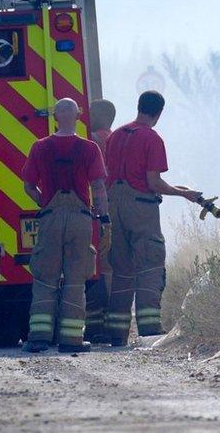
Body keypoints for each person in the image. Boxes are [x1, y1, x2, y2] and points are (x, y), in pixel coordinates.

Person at [103, 91, 202, 346]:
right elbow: (152, 182)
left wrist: (181, 190)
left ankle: (117, 334)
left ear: (139, 107)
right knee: (149, 264)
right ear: (158, 113)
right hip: (141, 209)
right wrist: (185, 195)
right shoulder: (152, 138)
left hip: (114, 206)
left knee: (122, 269)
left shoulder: (116, 136)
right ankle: (149, 332)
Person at [21, 98, 110, 353]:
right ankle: (71, 340)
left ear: (55, 117)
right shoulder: (90, 148)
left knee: (45, 278)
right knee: (75, 280)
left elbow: (28, 186)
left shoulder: (40, 147)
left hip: (50, 217)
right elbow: (98, 187)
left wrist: (45, 203)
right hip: (81, 218)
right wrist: (104, 218)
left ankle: (38, 338)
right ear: (79, 117)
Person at [84, 99, 117, 343]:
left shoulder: (94, 138)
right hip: (115, 204)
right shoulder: (116, 138)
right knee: (112, 265)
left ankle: (98, 323)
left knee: (101, 265)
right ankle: (110, 321)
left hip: (99, 206)